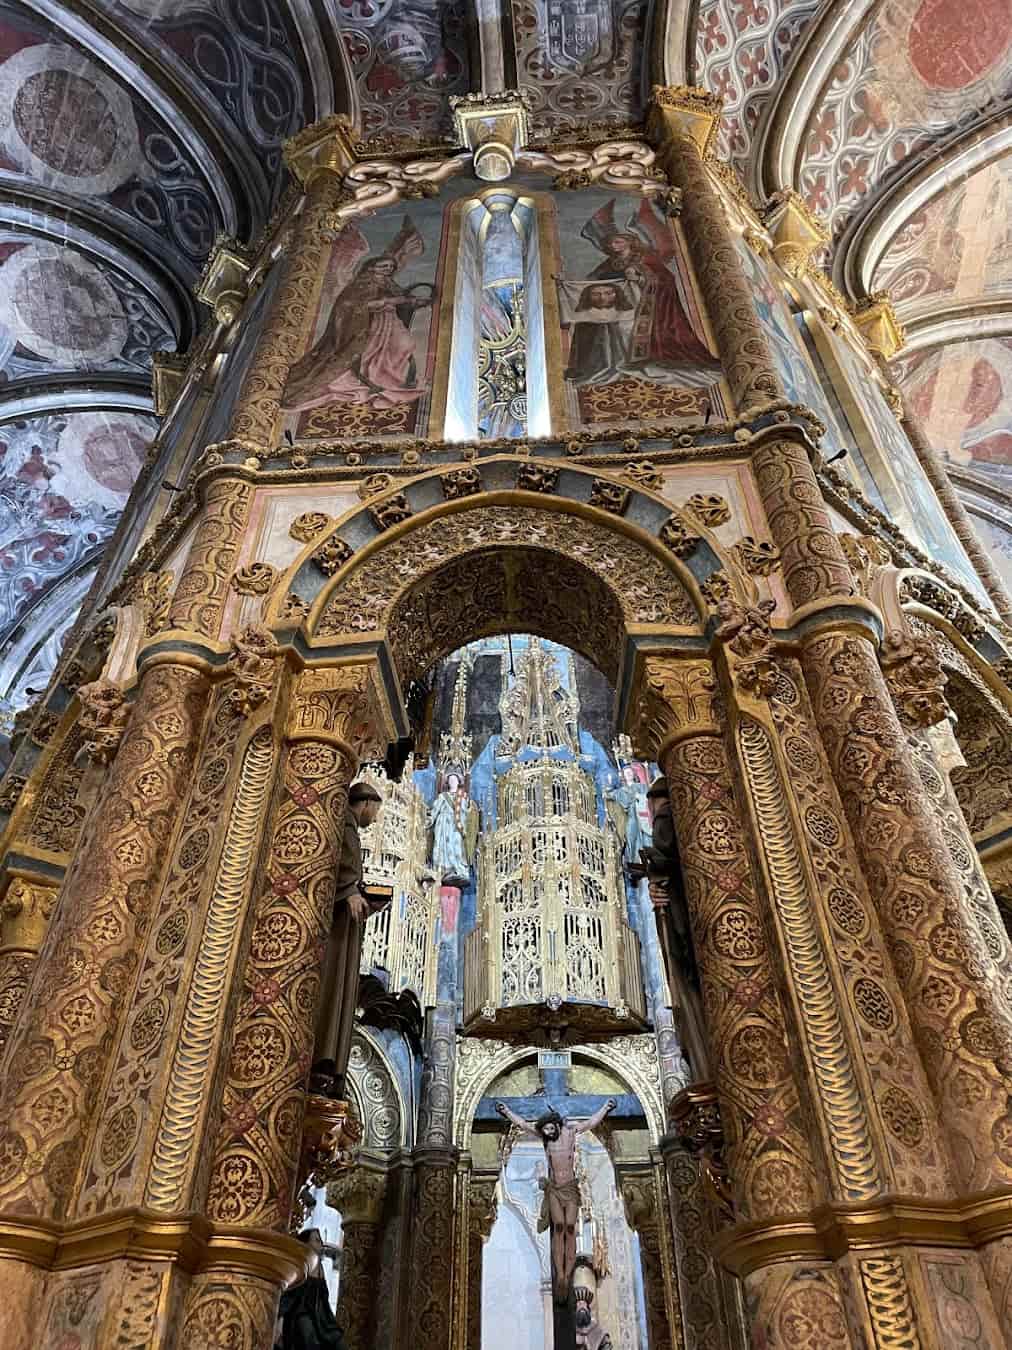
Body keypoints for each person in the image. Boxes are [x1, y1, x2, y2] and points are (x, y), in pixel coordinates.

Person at [283, 219, 431, 412]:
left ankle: (393, 380)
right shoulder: (361, 284)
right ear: (372, 267)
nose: (388, 270)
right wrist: (390, 301)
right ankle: (375, 381)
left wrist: (413, 301)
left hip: (388, 322)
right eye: (383, 266)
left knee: (406, 344)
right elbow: (352, 305)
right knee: (388, 348)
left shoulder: (387, 283)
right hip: (369, 325)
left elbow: (402, 297)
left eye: (390, 267)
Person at [494, 1098, 617, 1302]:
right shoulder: (545, 1140)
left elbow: (590, 1123)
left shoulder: (571, 1133)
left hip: (570, 1188)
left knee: (570, 1228)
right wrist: (506, 1111)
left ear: (558, 1126)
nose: (549, 1132)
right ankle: (559, 1274)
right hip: (554, 1189)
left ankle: (567, 1274)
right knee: (559, 1227)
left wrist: (605, 1107)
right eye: (545, 1130)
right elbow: (523, 1124)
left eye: (551, 1128)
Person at [311, 781, 385, 1099]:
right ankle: (322, 1060)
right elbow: (333, 861)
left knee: (342, 988)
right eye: (376, 810)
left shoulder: (351, 828)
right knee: (333, 984)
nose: (376, 817)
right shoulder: (343, 824)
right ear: (366, 803)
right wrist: (350, 890)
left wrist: (361, 895)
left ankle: (329, 1065)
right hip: (337, 927)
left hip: (346, 923)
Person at [276, 1229, 344, 1350]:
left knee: (337, 1338)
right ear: (306, 1243)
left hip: (320, 1316)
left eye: (320, 1240)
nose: (321, 1243)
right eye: (317, 1240)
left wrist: (330, 1320)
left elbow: (324, 1298)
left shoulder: (320, 1267)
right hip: (300, 1313)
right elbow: (289, 1295)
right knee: (309, 1334)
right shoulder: (300, 1264)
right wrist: (280, 1320)